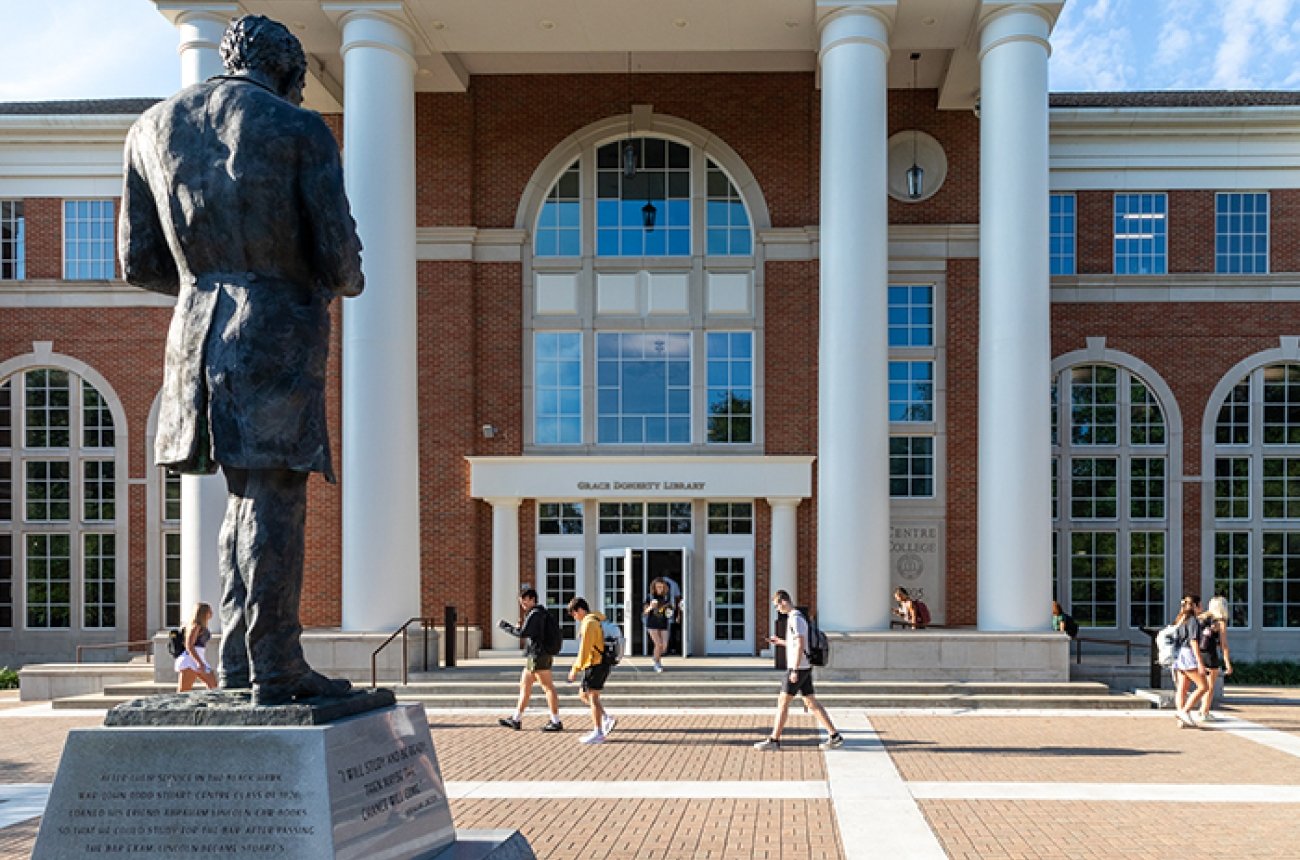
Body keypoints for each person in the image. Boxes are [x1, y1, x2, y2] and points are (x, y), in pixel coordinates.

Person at [119, 15, 364, 706]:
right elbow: (339, 257)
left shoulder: (150, 129)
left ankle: (238, 660)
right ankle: (276, 666)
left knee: (240, 496)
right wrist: (314, 276)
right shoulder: (298, 127)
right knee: (276, 496)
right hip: (276, 326)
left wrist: (209, 277)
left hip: (194, 332)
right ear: (287, 70)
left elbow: (138, 261)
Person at [755, 590, 844, 751]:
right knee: (811, 702)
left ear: (783, 601)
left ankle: (774, 740)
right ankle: (834, 736)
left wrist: (794, 670)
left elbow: (801, 644)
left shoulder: (795, 619)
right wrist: (781, 642)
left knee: (783, 702)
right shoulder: (797, 618)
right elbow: (798, 644)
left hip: (798, 668)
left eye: (777, 605)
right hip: (804, 666)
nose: (777, 609)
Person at [497, 587, 563, 732]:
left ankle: (555, 721)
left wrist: (505, 626)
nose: (523, 605)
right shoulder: (541, 613)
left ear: (532, 600)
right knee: (525, 686)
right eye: (521, 603)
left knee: (548, 688)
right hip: (538, 655)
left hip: (538, 656)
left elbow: (522, 633)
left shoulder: (535, 614)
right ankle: (516, 719)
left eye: (525, 602)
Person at [567, 597, 616, 745]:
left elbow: (584, 649)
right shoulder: (598, 617)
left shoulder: (588, 623)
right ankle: (606, 719)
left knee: (592, 697)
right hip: (601, 663)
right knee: (583, 695)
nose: (575, 618)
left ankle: (598, 732)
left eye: (575, 614)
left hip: (595, 664)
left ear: (580, 610)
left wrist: (575, 668)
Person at [1170, 594, 1209, 728]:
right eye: (1200, 605)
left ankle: (1181, 719)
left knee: (1182, 688)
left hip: (1180, 654)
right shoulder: (1192, 620)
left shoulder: (1181, 618)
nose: (1202, 608)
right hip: (1188, 655)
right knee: (1204, 686)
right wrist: (1200, 663)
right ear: (1196, 606)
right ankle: (1184, 712)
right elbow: (1193, 641)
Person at [1197, 595, 1234, 722]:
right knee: (1210, 686)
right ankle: (1204, 711)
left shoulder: (1201, 618)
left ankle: (1201, 709)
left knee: (1201, 685)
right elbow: (1224, 645)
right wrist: (1227, 663)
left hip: (1198, 654)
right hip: (1210, 655)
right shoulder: (1220, 622)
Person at [175, 602, 219, 692]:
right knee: (184, 691)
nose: (211, 613)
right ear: (203, 613)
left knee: (213, 685)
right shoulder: (196, 627)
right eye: (209, 611)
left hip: (199, 658)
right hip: (190, 660)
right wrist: (199, 662)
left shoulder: (202, 627)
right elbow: (189, 645)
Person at [642, 577, 675, 672]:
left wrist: (671, 611)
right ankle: (657, 663)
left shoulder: (666, 597)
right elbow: (645, 612)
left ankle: (656, 656)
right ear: (654, 588)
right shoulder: (650, 597)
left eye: (661, 587)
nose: (660, 589)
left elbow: (669, 611)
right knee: (658, 644)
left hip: (663, 623)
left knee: (664, 645)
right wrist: (651, 607)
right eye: (658, 587)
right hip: (652, 623)